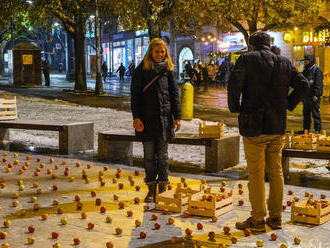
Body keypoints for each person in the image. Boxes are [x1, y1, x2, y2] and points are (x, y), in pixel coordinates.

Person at [228, 31, 309, 232]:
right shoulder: (284, 62)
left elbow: (234, 85)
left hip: (253, 125)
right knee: (276, 172)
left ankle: (257, 219)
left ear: (251, 45)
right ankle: (275, 217)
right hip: (277, 126)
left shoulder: (246, 59)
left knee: (255, 174)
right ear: (269, 44)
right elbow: (304, 85)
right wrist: (288, 104)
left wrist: (235, 107)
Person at [130, 38, 181, 203]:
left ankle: (163, 188)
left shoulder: (169, 70)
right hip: (146, 120)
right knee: (149, 156)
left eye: (162, 51)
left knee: (163, 156)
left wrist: (177, 117)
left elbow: (174, 95)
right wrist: (136, 117)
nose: (160, 54)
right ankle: (151, 188)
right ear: (150, 52)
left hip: (165, 120)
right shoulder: (141, 71)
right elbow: (135, 96)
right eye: (157, 51)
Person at [302, 55, 323, 134]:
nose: (305, 62)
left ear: (310, 61)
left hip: (313, 97)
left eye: (306, 60)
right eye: (304, 60)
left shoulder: (316, 70)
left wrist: (316, 95)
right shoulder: (305, 70)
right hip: (306, 97)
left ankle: (317, 130)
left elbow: (319, 84)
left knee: (315, 113)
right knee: (306, 114)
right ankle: (306, 130)